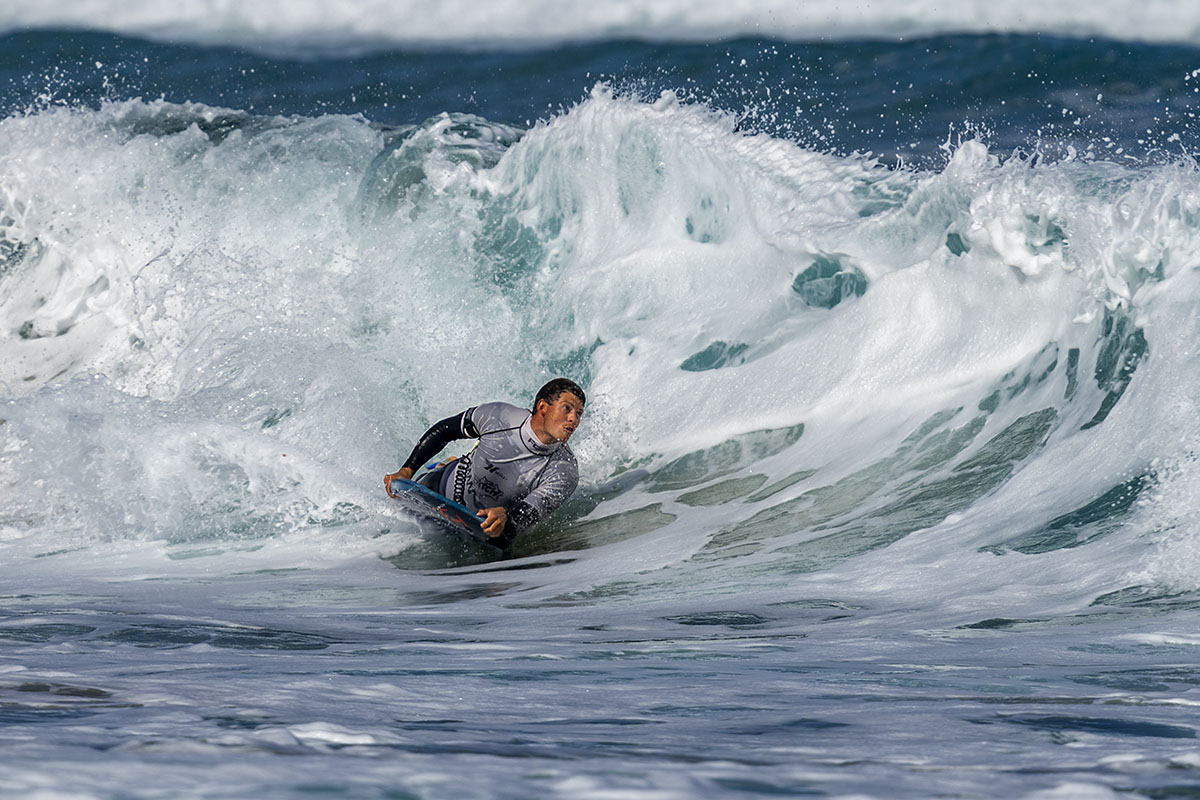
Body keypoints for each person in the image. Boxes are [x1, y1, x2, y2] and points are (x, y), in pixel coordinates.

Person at [384, 378, 585, 547]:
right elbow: (445, 431)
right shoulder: (501, 417)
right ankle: (445, 464)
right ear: (542, 407)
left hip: (478, 529)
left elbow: (527, 515)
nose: (573, 419)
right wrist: (406, 470)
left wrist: (506, 518)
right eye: (567, 408)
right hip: (437, 488)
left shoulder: (564, 471)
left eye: (579, 414)